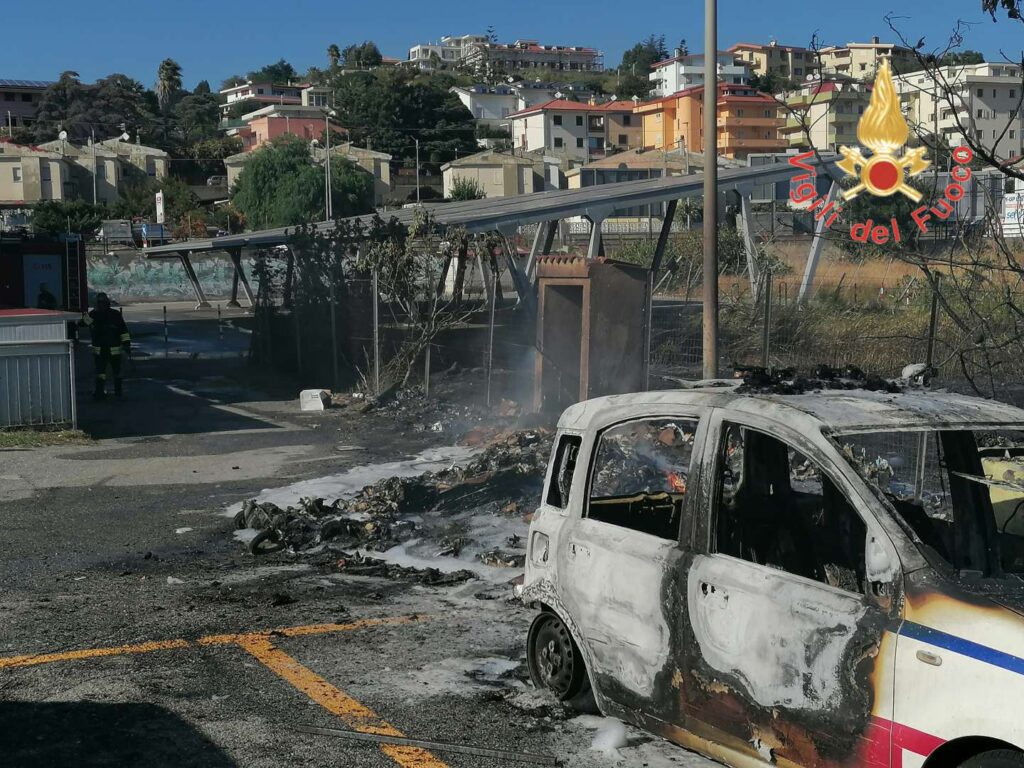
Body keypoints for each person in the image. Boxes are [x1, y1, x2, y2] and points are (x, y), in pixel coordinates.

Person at [80, 293, 131, 400]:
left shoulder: (94, 314)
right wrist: (126, 344)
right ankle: (118, 392)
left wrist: (85, 315)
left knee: (101, 372)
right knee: (116, 372)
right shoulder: (115, 314)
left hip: (100, 350)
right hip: (114, 350)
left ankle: (100, 393)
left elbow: (82, 323)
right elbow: (123, 330)